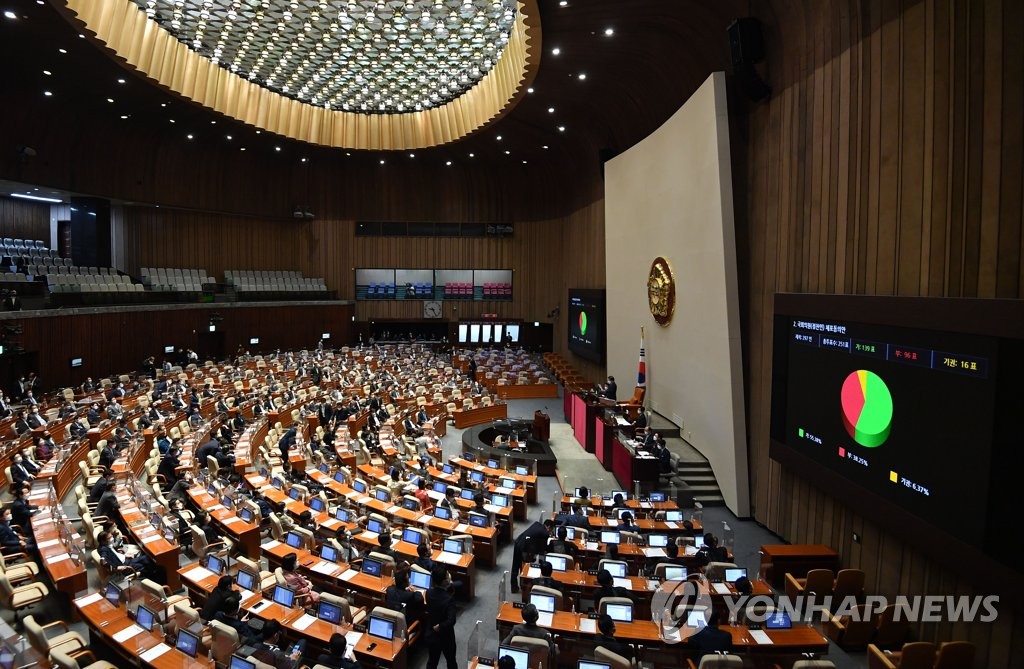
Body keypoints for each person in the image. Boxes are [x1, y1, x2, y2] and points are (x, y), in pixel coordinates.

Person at [425, 563, 458, 669]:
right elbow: (451, 620)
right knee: (451, 661)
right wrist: (441, 626)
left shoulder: (428, 593)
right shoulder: (449, 600)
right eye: (447, 575)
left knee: (432, 662)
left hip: (432, 634)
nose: (449, 576)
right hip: (446, 636)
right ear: (444, 581)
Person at [510, 519, 554, 593]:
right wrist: (542, 564)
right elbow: (542, 549)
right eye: (551, 530)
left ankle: (514, 588)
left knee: (515, 566)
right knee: (524, 568)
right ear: (549, 527)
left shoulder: (537, 524)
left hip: (518, 543)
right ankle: (523, 586)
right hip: (525, 549)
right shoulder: (545, 533)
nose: (550, 532)